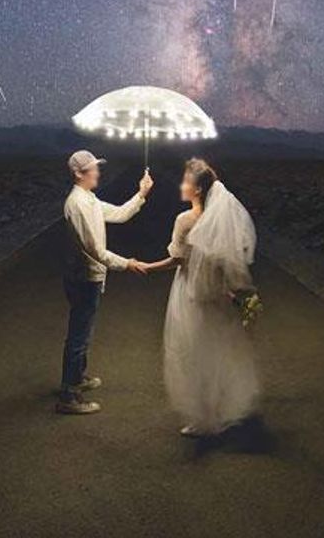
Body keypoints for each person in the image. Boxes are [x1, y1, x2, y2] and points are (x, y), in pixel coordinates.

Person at [133, 156, 260, 436]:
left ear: (198, 189)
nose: (182, 185)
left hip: (189, 292)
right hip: (216, 293)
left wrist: (145, 266)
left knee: (191, 353)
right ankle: (218, 411)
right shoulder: (219, 221)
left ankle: (203, 419)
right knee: (216, 351)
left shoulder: (185, 220)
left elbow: (177, 260)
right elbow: (224, 262)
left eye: (187, 181)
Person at [56, 147, 152, 415]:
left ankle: (77, 377)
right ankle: (69, 395)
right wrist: (128, 263)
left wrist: (141, 193)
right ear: (79, 174)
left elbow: (120, 214)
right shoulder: (76, 205)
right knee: (79, 335)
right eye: (93, 168)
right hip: (84, 278)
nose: (98, 171)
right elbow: (95, 251)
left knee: (82, 332)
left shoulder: (89, 199)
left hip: (89, 276)